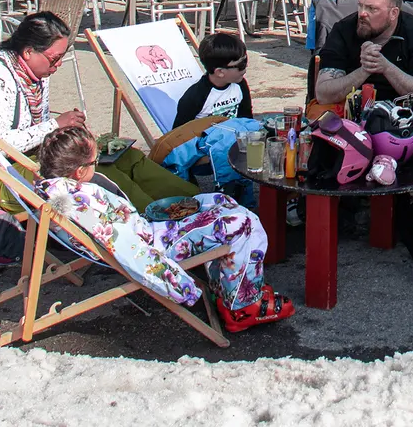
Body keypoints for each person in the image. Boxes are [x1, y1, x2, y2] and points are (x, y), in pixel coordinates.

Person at [35, 125, 292, 331]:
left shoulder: (62, 191)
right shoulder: (80, 206)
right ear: (79, 172)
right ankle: (242, 307)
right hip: (155, 246)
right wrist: (179, 284)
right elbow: (132, 253)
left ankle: (233, 285)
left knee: (218, 200)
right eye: (95, 161)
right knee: (242, 222)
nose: (98, 164)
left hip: (147, 232)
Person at [0, 12, 197, 211]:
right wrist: (55, 126)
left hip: (29, 158)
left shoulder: (33, 72)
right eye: (54, 59)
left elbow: (37, 134)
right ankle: (157, 222)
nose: (58, 65)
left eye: (61, 57)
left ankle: (196, 203)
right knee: (100, 168)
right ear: (28, 52)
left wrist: (70, 135)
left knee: (126, 156)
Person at [315, 0, 413, 103]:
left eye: (371, 8)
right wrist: (364, 70)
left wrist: (386, 67)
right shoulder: (343, 30)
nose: (362, 13)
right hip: (351, 112)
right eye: (360, 5)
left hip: (401, 113)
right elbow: (323, 95)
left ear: (393, 13)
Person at [172, 32, 253, 129]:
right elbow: (179, 135)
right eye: (241, 65)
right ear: (220, 72)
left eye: (246, 59)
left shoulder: (240, 84)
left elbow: (247, 119)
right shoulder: (194, 97)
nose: (246, 66)